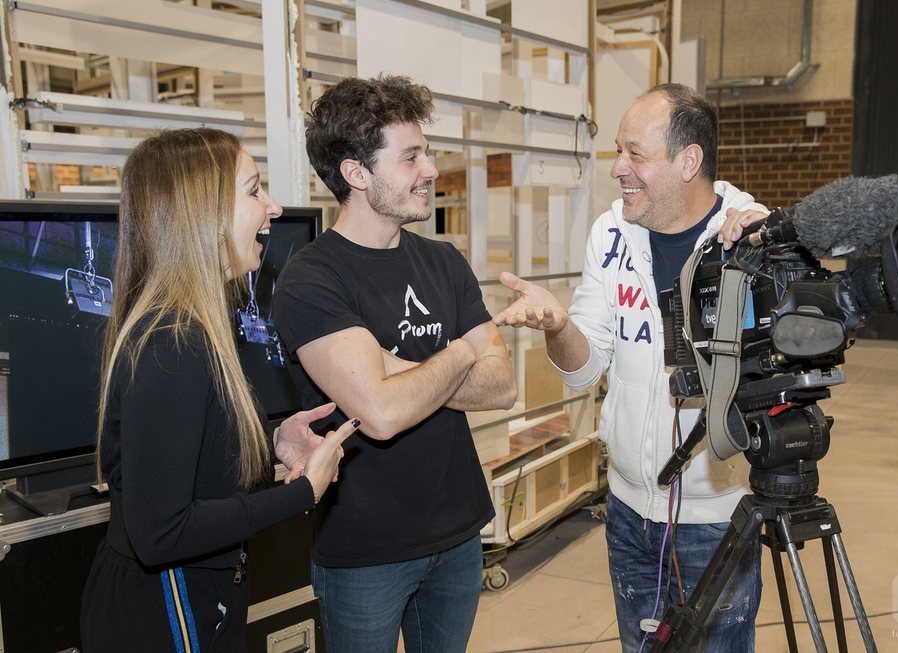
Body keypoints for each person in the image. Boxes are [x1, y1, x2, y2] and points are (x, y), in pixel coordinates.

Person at [493, 84, 769, 652]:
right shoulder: (610, 233)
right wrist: (559, 326)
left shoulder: (750, 236)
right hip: (625, 512)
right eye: (618, 151)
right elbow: (584, 368)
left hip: (714, 520)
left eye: (634, 154)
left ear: (689, 161)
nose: (618, 169)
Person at [79, 128, 359, 653]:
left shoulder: (186, 331)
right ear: (202, 215)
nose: (273, 207)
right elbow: (161, 531)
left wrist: (275, 443)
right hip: (166, 606)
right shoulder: (172, 343)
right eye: (254, 191)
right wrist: (301, 493)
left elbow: (187, 464)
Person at [271, 74, 517, 653]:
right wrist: (459, 351)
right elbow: (380, 415)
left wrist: (393, 367)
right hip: (365, 552)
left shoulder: (443, 261)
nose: (430, 170)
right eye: (411, 157)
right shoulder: (311, 279)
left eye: (425, 153)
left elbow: (503, 385)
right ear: (357, 174)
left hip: (458, 533)